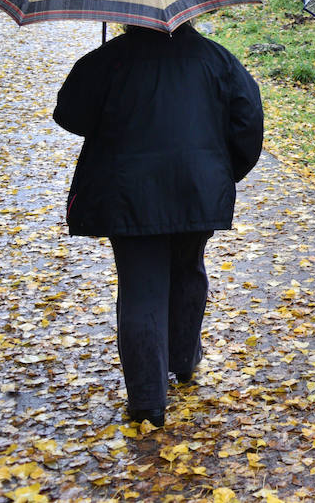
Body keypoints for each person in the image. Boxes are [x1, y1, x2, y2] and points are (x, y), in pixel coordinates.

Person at [53, 21, 264, 426]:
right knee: (187, 268)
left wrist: (102, 70)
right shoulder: (217, 59)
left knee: (140, 286)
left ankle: (149, 399)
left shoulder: (109, 59)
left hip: (127, 192)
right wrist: (220, 173)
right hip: (194, 188)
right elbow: (248, 122)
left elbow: (70, 116)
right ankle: (183, 360)